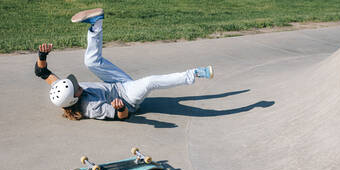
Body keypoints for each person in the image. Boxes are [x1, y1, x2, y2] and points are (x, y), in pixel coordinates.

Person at [34, 8, 214, 121]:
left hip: (116, 83)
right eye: (76, 88)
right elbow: (123, 116)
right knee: (150, 81)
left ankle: (96, 23)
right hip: (128, 97)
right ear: (74, 99)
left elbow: (41, 72)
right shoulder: (92, 108)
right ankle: (195, 73)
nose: (77, 84)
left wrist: (42, 55)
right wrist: (120, 107)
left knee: (91, 62)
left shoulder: (63, 89)